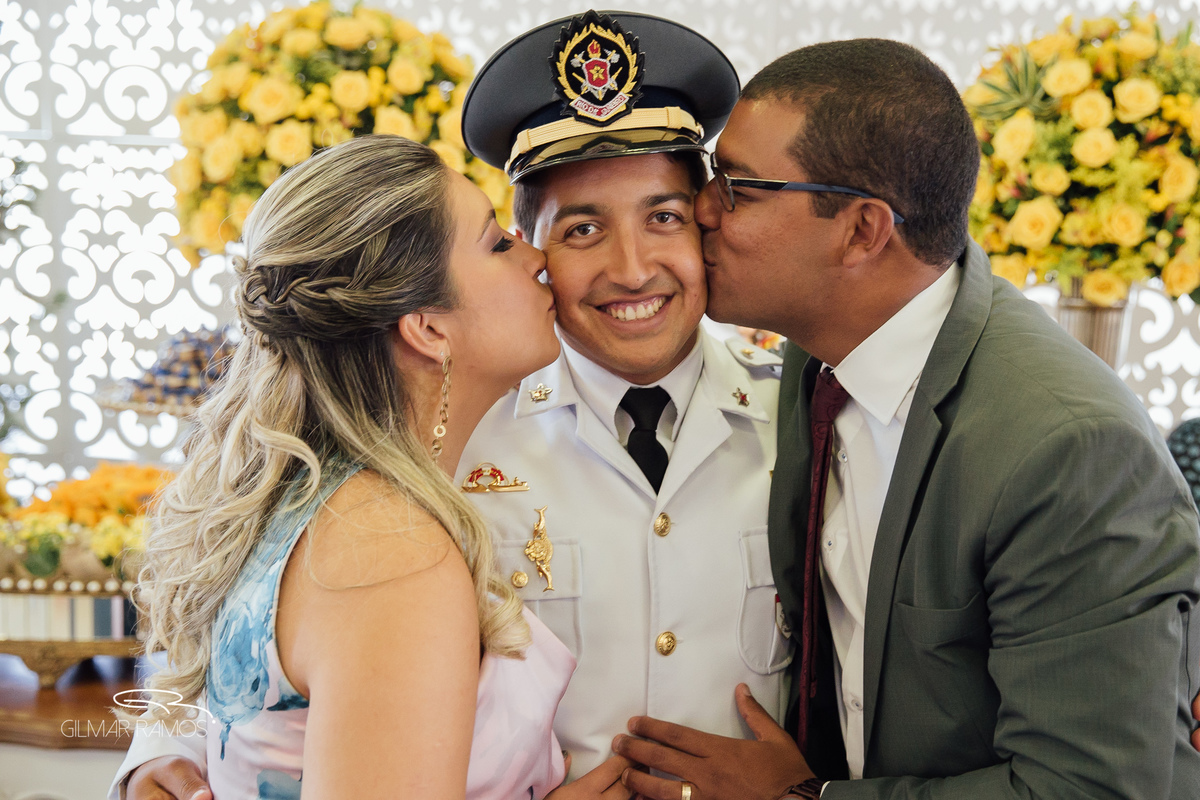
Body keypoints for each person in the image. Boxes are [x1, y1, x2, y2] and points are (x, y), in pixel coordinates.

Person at [112, 10, 788, 799]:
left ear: (706, 225)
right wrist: (158, 749)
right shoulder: (446, 415)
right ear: (535, 247)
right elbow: (236, 626)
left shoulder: (799, 416)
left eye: (663, 217)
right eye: (581, 230)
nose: (633, 269)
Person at [613, 39, 1200, 799]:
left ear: (863, 230)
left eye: (739, 189)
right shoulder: (817, 354)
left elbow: (1088, 788)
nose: (701, 209)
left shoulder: (1069, 449)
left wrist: (803, 799)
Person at [113, 133, 578, 800]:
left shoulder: (320, 501)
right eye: (498, 243)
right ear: (428, 328)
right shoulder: (388, 555)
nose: (537, 256)